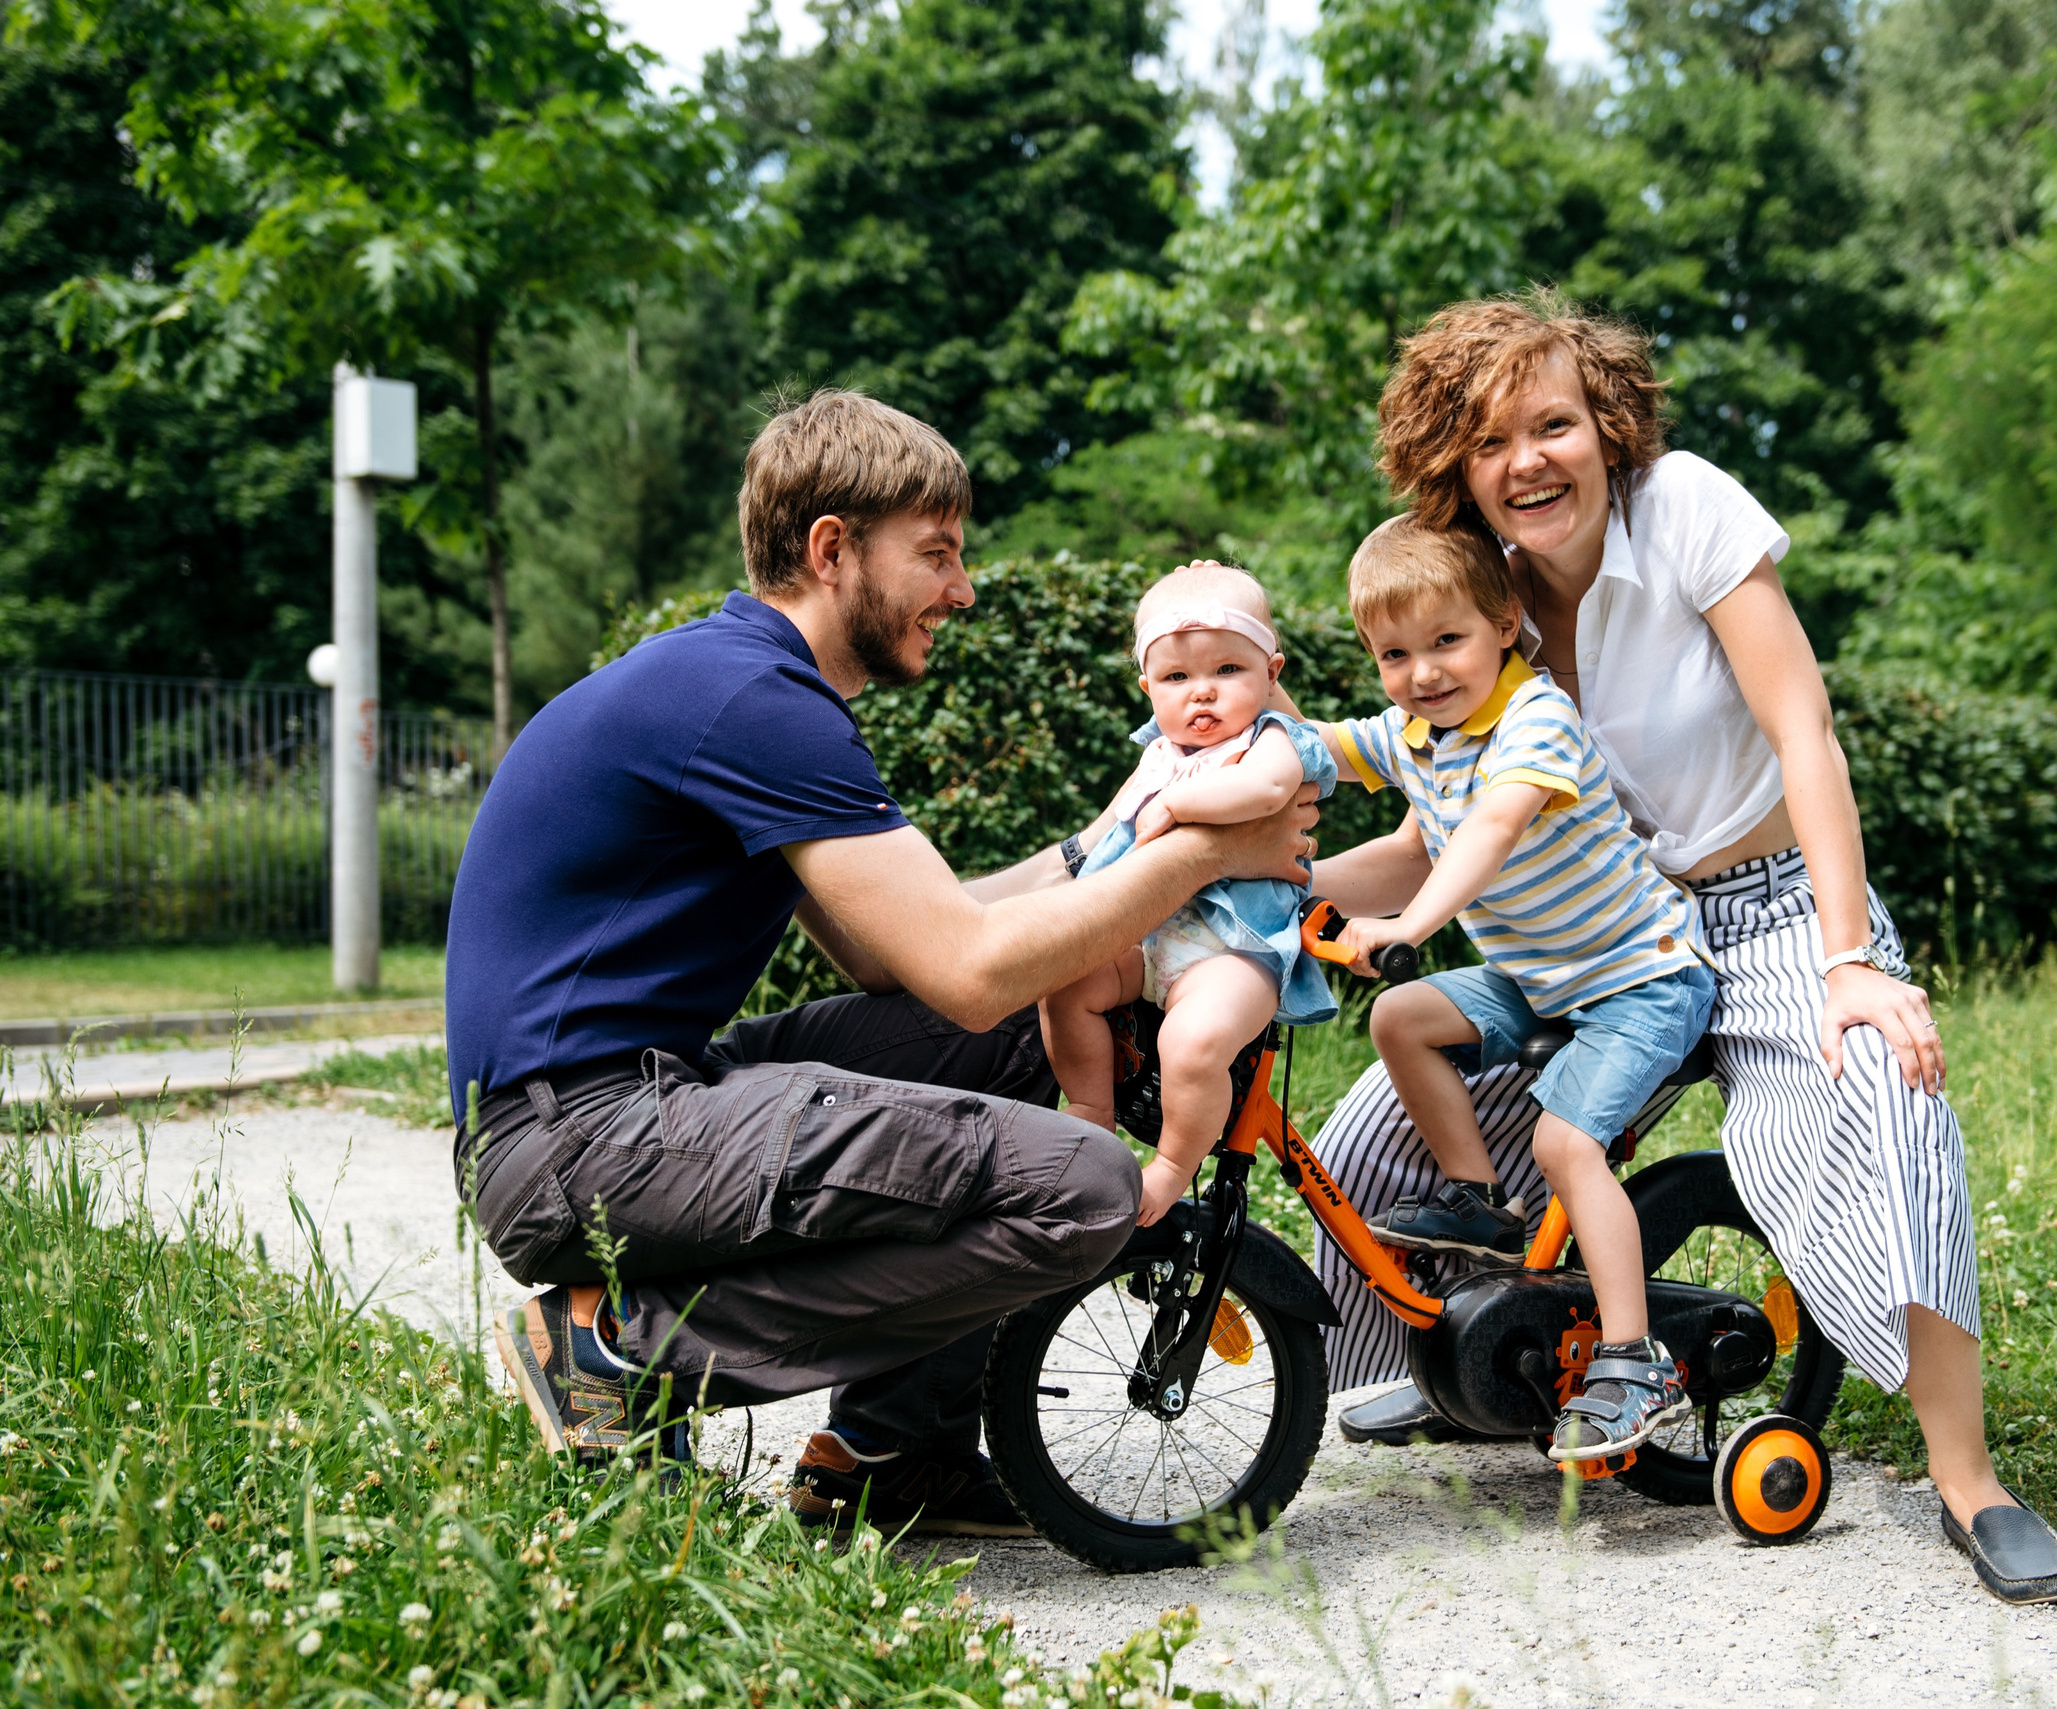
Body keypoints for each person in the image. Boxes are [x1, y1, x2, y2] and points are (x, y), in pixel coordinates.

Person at [1308, 293, 2057, 1603]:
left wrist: (1851, 960)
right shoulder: (1472, 605)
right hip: (1609, 934)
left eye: (1555, 424)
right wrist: (1259, 887)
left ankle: (1969, 1473)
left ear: (1605, 425)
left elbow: (1804, 737)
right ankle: (1470, 1379)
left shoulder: (1687, 513)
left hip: (1775, 905)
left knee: (1889, 1096)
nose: (1530, 460)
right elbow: (1437, 830)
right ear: (1456, 466)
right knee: (1373, 1136)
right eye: (1493, 443)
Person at [448, 388, 1316, 1535]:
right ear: (831, 549)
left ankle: (889, 1453)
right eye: (938, 553)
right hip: (578, 1139)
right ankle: (613, 1346)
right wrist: (1204, 857)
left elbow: (896, 949)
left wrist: (1099, 848)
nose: (960, 588)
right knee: (1087, 1188)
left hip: (617, 1108)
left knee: (1019, 1032)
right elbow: (964, 965)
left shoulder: (741, 683)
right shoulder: (753, 700)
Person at [1321, 514, 1717, 1462]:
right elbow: (1307, 753)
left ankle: (1633, 1362)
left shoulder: (1535, 715)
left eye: (1446, 640)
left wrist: (1411, 924)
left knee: (1566, 1142)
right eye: (1394, 653)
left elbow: (1489, 833)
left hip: (1640, 978)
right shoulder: (1415, 734)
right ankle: (1477, 1199)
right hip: (1539, 977)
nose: (1423, 672)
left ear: (1504, 621)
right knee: (1402, 1016)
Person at [1039, 562, 1338, 1226]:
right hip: (1144, 938)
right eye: (1176, 678)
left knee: (1193, 1041)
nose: (1201, 693)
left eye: (1228, 670)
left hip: (1231, 950)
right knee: (1064, 981)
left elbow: (1262, 793)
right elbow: (1110, 834)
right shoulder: (1159, 752)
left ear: (1271, 674)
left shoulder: (1276, 740)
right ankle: (1091, 1117)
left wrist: (1177, 802)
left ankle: (1173, 1165)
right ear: (1147, 687)